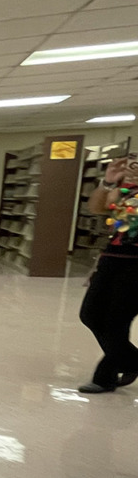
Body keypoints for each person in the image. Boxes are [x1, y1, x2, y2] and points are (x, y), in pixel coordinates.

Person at [78, 155, 138, 394]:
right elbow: (96, 208)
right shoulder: (125, 190)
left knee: (116, 322)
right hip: (112, 259)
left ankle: (106, 377)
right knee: (90, 314)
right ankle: (130, 361)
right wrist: (108, 182)